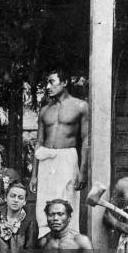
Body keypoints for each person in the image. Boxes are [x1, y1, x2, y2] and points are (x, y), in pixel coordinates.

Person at [29, 68, 88, 237]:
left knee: (67, 203)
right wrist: (34, 174)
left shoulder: (80, 106)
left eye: (52, 82)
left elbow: (86, 139)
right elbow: (39, 142)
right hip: (46, 160)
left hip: (67, 159)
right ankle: (46, 246)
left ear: (64, 82)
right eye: (46, 82)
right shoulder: (45, 110)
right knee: (44, 205)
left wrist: (82, 172)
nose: (48, 86)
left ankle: (68, 249)